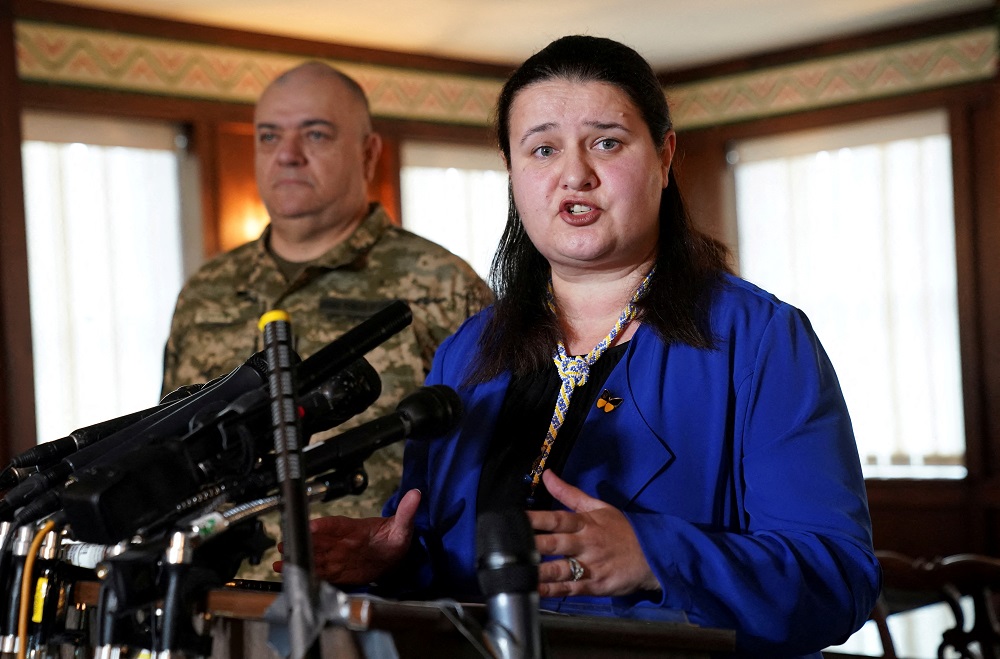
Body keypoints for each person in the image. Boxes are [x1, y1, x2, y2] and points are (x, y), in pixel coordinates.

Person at [290, 37, 880, 657]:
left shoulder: (759, 339)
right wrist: (398, 557)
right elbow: (453, 565)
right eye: (542, 149)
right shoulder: (467, 352)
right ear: (512, 170)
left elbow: (838, 579)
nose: (575, 174)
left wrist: (653, 556)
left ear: (665, 154)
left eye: (607, 142)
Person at [160, 61, 492, 574]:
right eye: (269, 137)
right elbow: (170, 451)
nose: (287, 155)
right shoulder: (206, 291)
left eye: (314, 134)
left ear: (368, 153)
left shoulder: (442, 283)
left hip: (374, 605)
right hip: (217, 600)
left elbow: (488, 466)